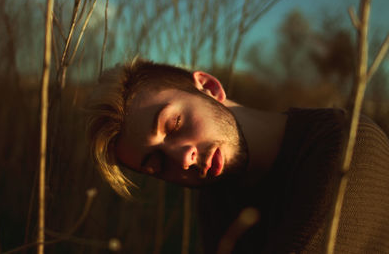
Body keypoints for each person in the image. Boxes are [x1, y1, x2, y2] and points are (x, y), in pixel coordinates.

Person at [86, 58, 389, 253]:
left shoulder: (346, 147)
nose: (183, 159)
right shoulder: (219, 203)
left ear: (209, 87)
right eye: (158, 164)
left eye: (175, 125)